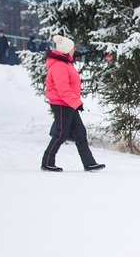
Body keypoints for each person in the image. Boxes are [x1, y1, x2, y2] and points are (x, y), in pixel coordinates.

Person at [40, 35, 105, 173]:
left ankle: (89, 163)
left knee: (80, 133)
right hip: (62, 104)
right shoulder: (59, 65)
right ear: (66, 50)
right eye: (72, 47)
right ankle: (47, 162)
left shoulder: (65, 63)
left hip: (68, 103)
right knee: (61, 134)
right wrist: (76, 103)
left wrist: (75, 103)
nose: (74, 49)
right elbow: (63, 88)